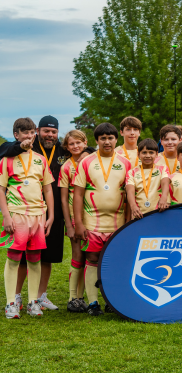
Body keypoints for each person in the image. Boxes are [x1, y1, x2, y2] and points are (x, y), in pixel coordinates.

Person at [0, 115, 75, 311]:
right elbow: (4, 150)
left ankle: (38, 298)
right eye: (45, 131)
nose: (49, 135)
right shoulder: (17, 151)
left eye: (53, 131)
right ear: (38, 132)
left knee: (44, 256)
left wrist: (50, 215)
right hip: (20, 213)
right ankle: (14, 298)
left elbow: (81, 149)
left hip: (49, 214)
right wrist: (21, 145)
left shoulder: (59, 152)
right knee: (19, 257)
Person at [73, 123, 132, 316]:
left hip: (118, 223)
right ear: (97, 141)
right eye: (103, 138)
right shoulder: (86, 162)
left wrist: (130, 222)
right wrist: (79, 223)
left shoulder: (126, 163)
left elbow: (130, 195)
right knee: (92, 259)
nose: (107, 142)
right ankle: (93, 303)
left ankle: (110, 300)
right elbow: (78, 195)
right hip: (92, 222)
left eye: (110, 138)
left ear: (116, 139)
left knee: (113, 261)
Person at [0, 118, 55, 318]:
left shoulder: (40, 159)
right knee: (14, 258)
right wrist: (6, 216)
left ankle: (33, 302)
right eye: (25, 133)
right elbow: (1, 189)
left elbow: (48, 188)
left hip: (38, 215)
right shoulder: (6, 159)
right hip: (17, 213)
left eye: (32, 133)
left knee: (35, 259)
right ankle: (10, 303)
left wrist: (50, 215)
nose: (29, 137)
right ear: (16, 135)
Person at [59, 130, 89, 313]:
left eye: (79, 142)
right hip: (74, 217)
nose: (76, 146)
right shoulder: (65, 167)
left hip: (92, 216)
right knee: (77, 256)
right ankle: (72, 298)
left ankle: (81, 296)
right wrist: (69, 225)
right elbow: (63, 199)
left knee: (89, 257)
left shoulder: (92, 162)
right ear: (66, 147)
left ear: (85, 143)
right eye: (72, 144)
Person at [126, 139, 170, 220]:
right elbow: (130, 191)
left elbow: (165, 183)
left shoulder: (162, 168)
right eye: (144, 152)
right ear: (138, 154)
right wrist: (133, 206)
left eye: (151, 152)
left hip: (158, 213)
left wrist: (164, 197)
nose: (147, 156)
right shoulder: (131, 172)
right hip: (138, 214)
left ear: (156, 154)